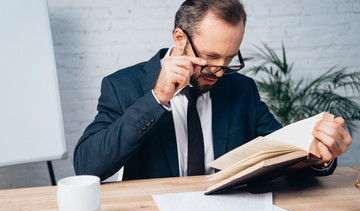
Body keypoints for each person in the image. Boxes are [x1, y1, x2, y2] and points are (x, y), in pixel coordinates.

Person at [74, 0, 352, 181]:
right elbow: (87, 167)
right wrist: (157, 98)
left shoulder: (242, 90)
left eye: (229, 58)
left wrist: (317, 156)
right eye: (210, 57)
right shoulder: (123, 86)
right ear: (180, 38)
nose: (220, 71)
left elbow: (282, 156)